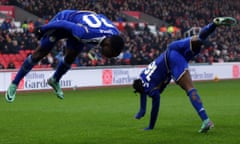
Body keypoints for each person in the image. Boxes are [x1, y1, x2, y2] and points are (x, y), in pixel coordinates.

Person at [132, 17, 236, 133]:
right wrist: (141, 111)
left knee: (189, 88)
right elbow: (141, 90)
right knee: (199, 39)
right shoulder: (142, 76)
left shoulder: (151, 90)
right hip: (172, 48)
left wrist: (150, 125)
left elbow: (154, 105)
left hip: (172, 60)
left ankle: (206, 120)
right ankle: (214, 24)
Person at [5, 10, 124, 102]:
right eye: (112, 53)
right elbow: (63, 24)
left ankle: (54, 80)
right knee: (40, 53)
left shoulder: (115, 35)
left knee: (70, 57)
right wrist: (43, 29)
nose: (110, 57)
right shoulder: (86, 34)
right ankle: (15, 83)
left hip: (80, 26)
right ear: (108, 44)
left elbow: (102, 16)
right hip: (64, 20)